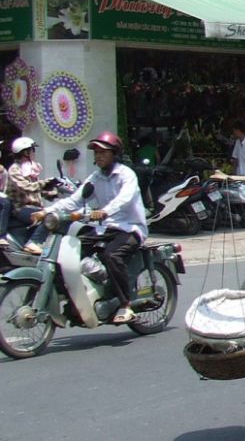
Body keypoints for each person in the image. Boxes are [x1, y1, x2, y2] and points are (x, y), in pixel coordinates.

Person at [32, 132, 148, 323]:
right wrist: (46, 212)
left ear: (114, 154)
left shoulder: (126, 175)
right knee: (67, 254)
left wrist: (105, 211)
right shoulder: (95, 177)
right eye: (96, 152)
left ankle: (125, 304)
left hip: (130, 228)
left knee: (113, 255)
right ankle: (77, 298)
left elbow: (125, 199)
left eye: (103, 152)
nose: (98, 156)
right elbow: (74, 201)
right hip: (104, 229)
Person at [6, 137, 55, 254]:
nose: (34, 153)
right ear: (26, 152)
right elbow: (26, 187)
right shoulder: (15, 169)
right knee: (49, 216)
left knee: (55, 211)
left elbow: (36, 190)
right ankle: (33, 242)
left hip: (33, 207)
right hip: (21, 209)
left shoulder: (29, 169)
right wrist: (46, 183)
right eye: (32, 150)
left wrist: (53, 193)